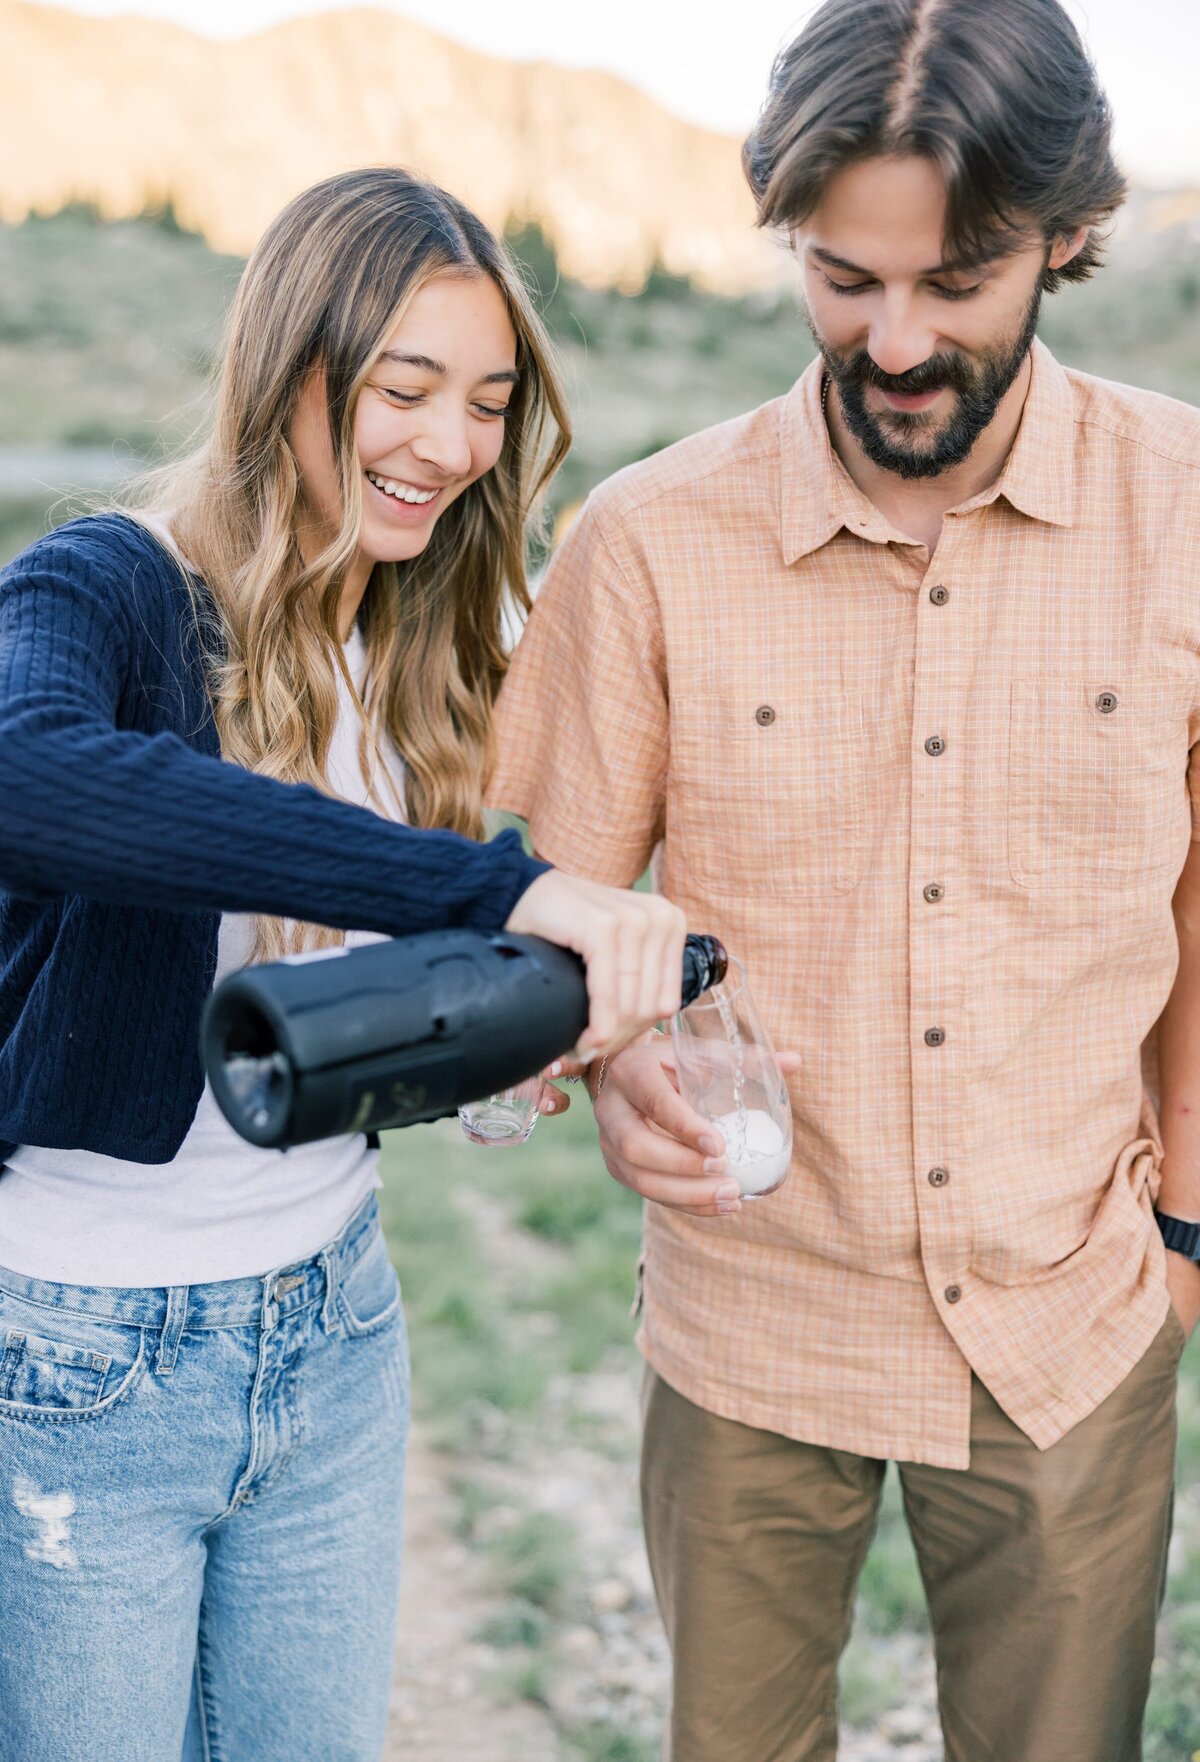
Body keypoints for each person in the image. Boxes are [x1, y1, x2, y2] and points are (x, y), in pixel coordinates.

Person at [491, 3, 1200, 1757]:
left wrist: (1184, 1224)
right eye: (841, 278)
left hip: (1074, 1312)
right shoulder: (645, 542)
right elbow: (538, 902)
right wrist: (600, 1061)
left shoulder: (1189, 507)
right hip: (753, 1327)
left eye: (955, 284)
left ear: (1064, 240)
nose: (892, 341)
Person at [0, 167, 685, 1762]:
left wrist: (514, 1038)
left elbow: (313, 1021)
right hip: (85, 1356)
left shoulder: (422, 626)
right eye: (407, 388)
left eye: (490, 402)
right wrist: (490, 893)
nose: (452, 446)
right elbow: (31, 780)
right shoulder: (104, 585)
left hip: (334, 1324)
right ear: (289, 371)